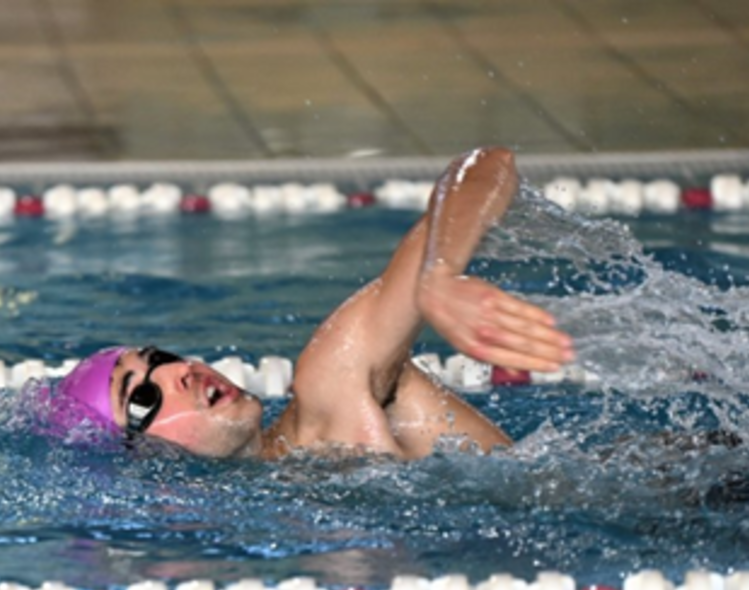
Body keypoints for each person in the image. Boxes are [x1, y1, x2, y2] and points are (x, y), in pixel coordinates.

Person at [44, 147, 574, 460]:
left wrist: (436, 277)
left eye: (158, 358)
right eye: (142, 397)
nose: (177, 371)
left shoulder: (332, 382)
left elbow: (489, 164)